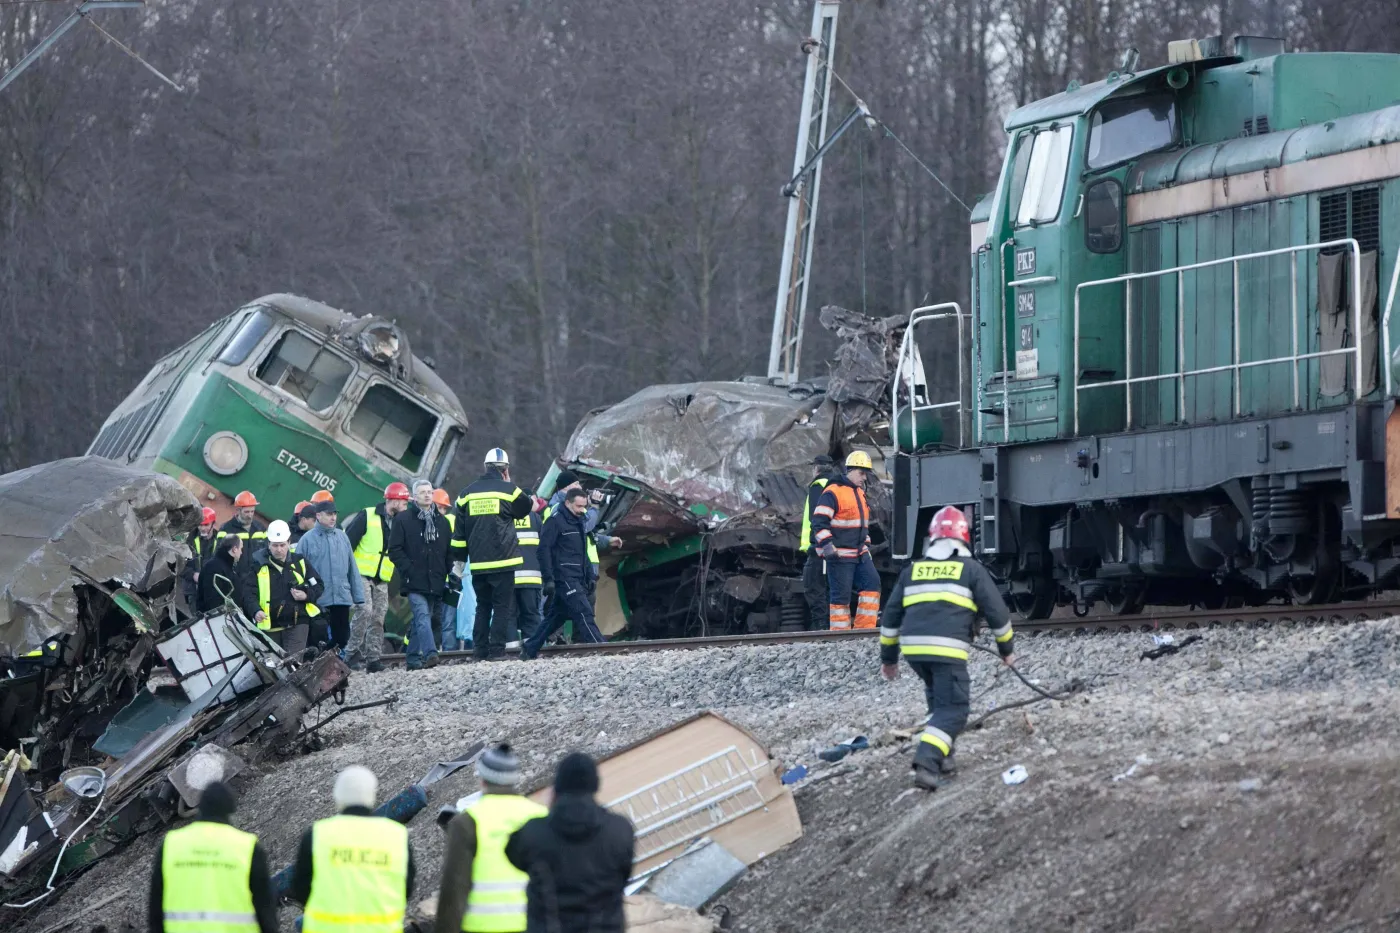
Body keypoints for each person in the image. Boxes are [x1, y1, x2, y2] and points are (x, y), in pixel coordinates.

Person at [878, 506, 1015, 791]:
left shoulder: (912, 570)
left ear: (933, 538)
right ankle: (927, 761)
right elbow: (998, 613)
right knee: (954, 708)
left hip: (914, 651)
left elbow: (890, 618)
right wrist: (1006, 650)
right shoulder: (971, 569)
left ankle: (945, 757)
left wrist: (889, 659)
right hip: (946, 650)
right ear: (964, 538)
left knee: (939, 701)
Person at [505, 753, 634, 933]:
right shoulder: (619, 829)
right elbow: (624, 874)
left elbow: (513, 855)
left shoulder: (533, 832)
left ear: (557, 787)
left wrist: (550, 811)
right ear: (595, 784)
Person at [435, 744, 546, 933]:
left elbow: (454, 886)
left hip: (483, 927)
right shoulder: (540, 815)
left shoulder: (467, 821)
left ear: (482, 779)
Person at [290, 766, 415, 933]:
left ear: (337, 796)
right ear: (371, 795)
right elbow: (406, 888)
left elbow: (300, 889)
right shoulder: (396, 835)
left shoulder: (317, 834)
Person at [147, 780, 277, 933]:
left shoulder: (171, 844)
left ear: (200, 809)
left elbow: (155, 907)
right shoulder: (247, 846)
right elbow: (264, 907)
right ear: (230, 811)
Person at [452, 448, 533, 661]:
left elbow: (459, 535)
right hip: (504, 560)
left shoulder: (466, 494)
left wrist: (459, 562)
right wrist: (508, 484)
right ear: (505, 470)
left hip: (479, 563)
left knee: (483, 606)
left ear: (485, 467)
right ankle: (496, 652)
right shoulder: (509, 490)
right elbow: (526, 507)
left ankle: (479, 652)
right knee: (502, 607)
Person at [522, 489, 603, 659]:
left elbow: (582, 553)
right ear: (567, 503)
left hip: (577, 577)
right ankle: (602, 648)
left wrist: (589, 575)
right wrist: (548, 579)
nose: (582, 510)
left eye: (584, 506)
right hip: (564, 577)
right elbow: (543, 551)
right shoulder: (554, 521)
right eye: (578, 506)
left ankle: (529, 648)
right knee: (584, 612)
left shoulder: (579, 521)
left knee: (555, 618)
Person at [344, 482, 411, 672]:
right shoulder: (367, 515)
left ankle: (373, 659)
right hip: (361, 574)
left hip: (382, 578)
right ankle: (350, 654)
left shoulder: (401, 523)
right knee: (364, 611)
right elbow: (348, 543)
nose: (406, 506)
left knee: (378, 618)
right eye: (404, 502)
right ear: (394, 500)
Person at [810, 451, 881, 630]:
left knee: (872, 584)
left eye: (866, 474)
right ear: (850, 470)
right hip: (839, 556)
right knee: (841, 598)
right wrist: (827, 546)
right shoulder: (833, 492)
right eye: (861, 473)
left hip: (860, 554)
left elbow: (862, 525)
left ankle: (863, 631)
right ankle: (840, 635)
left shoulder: (859, 493)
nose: (864, 478)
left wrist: (866, 545)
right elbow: (819, 522)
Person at [388, 481, 452, 670]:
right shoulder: (403, 519)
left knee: (421, 619)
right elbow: (394, 550)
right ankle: (431, 653)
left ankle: (412, 658)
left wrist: (449, 573)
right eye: (422, 492)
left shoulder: (443, 523)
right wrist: (409, 569)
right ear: (414, 497)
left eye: (429, 492)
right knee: (423, 615)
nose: (426, 495)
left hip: (435, 580)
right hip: (413, 580)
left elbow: (448, 552)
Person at [295, 499, 365, 652]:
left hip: (341, 598)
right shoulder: (307, 540)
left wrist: (358, 596)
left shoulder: (342, 537)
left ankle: (337, 664)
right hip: (319, 601)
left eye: (334, 514)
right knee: (319, 639)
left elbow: (352, 568)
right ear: (318, 516)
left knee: (342, 639)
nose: (333, 517)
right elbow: (298, 572)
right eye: (329, 514)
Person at [252, 519, 324, 657]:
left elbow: (318, 585)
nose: (279, 549)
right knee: (273, 666)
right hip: (270, 625)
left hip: (297, 623)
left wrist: (306, 595)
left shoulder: (300, 562)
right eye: (275, 545)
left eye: (282, 545)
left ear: (289, 542)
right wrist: (255, 610)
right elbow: (249, 593)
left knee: (294, 664)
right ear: (268, 544)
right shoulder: (258, 565)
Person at [800, 455, 839, 630]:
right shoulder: (838, 485)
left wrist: (819, 544)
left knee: (813, 586)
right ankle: (832, 624)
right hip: (835, 544)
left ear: (817, 468)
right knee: (831, 587)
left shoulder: (818, 485)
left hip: (820, 547)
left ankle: (821, 627)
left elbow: (816, 518)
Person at [434, 488, 469, 651]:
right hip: (451, 580)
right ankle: (449, 651)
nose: (442, 511)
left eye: (443, 508)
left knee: (443, 619)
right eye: (440, 507)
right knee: (448, 620)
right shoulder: (455, 522)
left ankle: (443, 650)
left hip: (445, 580)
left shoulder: (446, 522)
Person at [197, 534, 259, 618]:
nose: (241, 552)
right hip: (218, 621)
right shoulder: (214, 568)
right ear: (234, 549)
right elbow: (213, 601)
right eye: (241, 549)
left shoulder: (227, 567)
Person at [511, 505, 544, 649]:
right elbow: (544, 546)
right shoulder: (535, 518)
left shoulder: (502, 515)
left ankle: (510, 651)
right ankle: (531, 650)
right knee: (531, 615)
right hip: (532, 578)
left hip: (508, 578)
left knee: (508, 616)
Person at [182, 507, 220, 611]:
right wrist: (193, 575)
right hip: (193, 591)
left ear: (213, 524)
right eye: (200, 525)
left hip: (213, 592)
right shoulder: (189, 540)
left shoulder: (220, 541)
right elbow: (179, 566)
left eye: (206, 525)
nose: (202, 528)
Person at [219, 491, 267, 572]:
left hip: (256, 575)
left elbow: (267, 551)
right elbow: (219, 556)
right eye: (247, 512)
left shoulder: (260, 528)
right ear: (238, 510)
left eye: (252, 511)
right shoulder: (226, 529)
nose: (250, 515)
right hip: (235, 575)